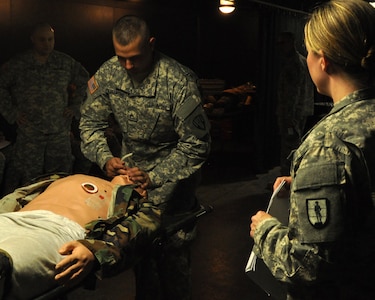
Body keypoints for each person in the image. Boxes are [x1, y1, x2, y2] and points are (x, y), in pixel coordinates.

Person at [79, 15, 211, 299]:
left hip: (174, 187)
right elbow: (89, 124)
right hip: (131, 186)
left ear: (151, 44)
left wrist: (155, 177)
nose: (128, 66)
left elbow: (196, 144)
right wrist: (106, 159)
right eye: (121, 57)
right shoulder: (109, 73)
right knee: (141, 261)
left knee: (173, 265)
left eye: (135, 58)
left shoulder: (178, 80)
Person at [250, 1, 375, 299]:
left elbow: (308, 266)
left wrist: (265, 230)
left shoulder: (328, 144)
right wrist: (311, 184)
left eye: (309, 50)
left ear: (324, 60)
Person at [0, 172, 158, 300]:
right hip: (11, 219)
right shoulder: (64, 176)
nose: (132, 175)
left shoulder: (135, 204)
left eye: (140, 180)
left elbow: (143, 228)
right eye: (130, 170)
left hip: (56, 232)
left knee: (4, 265)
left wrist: (96, 251)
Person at [0, 22, 89, 193]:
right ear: (33, 40)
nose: (47, 44)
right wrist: (11, 113)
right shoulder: (20, 63)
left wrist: (76, 106)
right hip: (30, 133)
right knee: (28, 181)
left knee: (60, 179)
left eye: (50, 39)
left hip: (59, 132)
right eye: (42, 40)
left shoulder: (64, 62)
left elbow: (86, 82)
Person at [276, 31, 315, 176]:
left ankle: (287, 178)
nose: (280, 47)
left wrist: (288, 118)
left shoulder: (294, 64)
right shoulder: (303, 61)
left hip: (292, 113)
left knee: (290, 146)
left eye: (283, 43)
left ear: (291, 43)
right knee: (293, 144)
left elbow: (293, 94)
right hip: (302, 110)